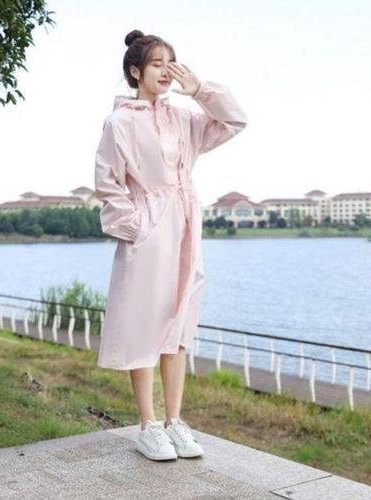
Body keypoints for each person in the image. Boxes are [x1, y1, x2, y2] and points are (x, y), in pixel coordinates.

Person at [94, 29, 248, 461]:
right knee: (144, 322)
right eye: (157, 64)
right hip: (149, 226)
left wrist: (199, 89)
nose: (166, 71)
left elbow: (235, 121)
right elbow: (108, 180)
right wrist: (135, 225)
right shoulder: (120, 122)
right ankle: (147, 425)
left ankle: (174, 421)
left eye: (170, 63)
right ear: (135, 71)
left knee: (178, 322)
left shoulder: (185, 117)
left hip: (185, 224)